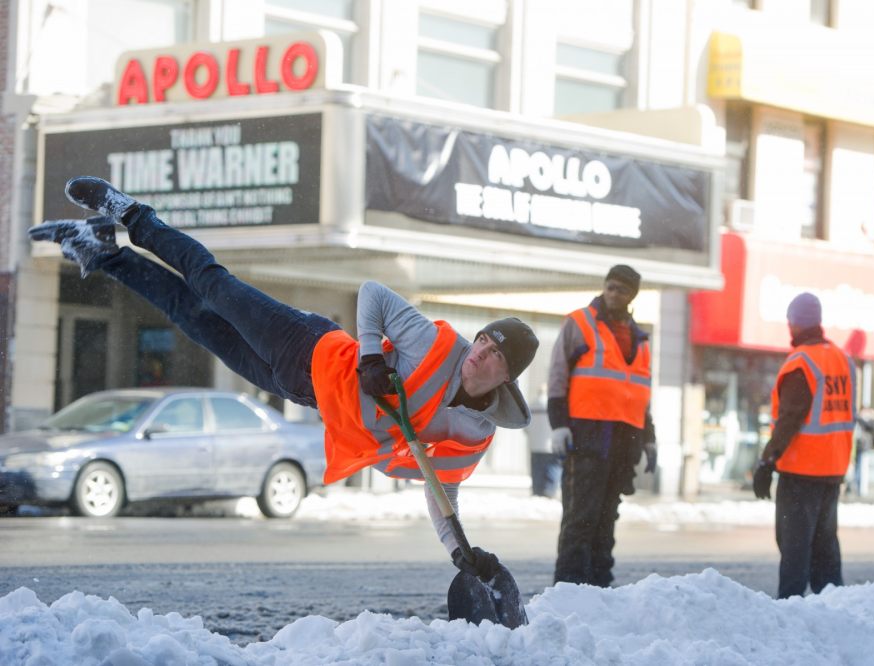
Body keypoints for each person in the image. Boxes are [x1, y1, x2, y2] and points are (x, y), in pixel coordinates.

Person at [30, 176, 539, 581]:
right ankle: (131, 214)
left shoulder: (472, 436)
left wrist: (459, 551)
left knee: (192, 319)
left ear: (507, 377)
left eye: (494, 354)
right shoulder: (437, 344)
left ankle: (102, 252)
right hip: (305, 343)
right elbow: (373, 293)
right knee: (211, 284)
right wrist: (370, 357)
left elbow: (440, 491)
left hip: (296, 388)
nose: (480, 353)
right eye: (483, 341)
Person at [547, 264, 657, 586]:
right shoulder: (580, 324)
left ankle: (599, 587)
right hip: (586, 436)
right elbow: (557, 375)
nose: (613, 293)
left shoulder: (640, 338)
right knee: (580, 517)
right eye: (610, 286)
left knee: (607, 519)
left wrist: (649, 439)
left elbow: (640, 394)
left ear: (632, 295)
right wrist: (558, 424)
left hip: (624, 441)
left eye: (621, 289)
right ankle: (569, 586)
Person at [752, 291, 856, 599]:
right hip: (832, 469)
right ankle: (833, 606)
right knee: (825, 545)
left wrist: (767, 461)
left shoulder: (801, 363)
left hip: (801, 471)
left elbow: (790, 418)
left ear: (794, 323)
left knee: (794, 547)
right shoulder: (842, 359)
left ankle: (790, 608)